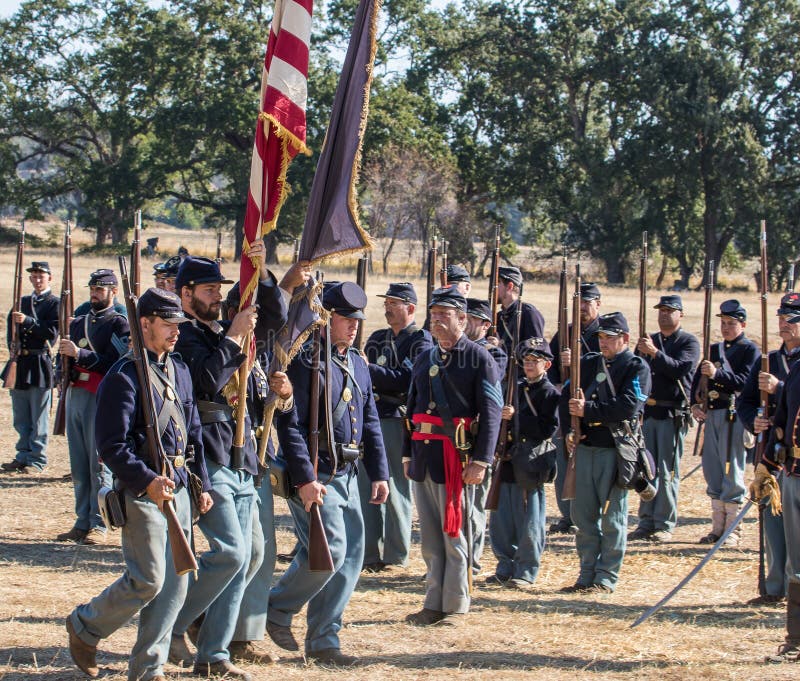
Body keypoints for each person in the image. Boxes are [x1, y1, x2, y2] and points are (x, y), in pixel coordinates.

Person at [65, 287, 213, 681]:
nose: (176, 332)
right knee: (148, 579)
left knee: (176, 586)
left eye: (178, 324)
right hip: (143, 491)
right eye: (168, 324)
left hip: (179, 487)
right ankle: (85, 626)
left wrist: (204, 486)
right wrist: (147, 482)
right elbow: (111, 445)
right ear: (144, 323)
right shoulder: (125, 375)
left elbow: (193, 431)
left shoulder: (178, 369)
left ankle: (149, 669)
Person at [168, 248, 287, 680]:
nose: (218, 296)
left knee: (251, 554)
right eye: (209, 289)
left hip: (242, 452)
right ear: (185, 294)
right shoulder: (183, 335)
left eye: (220, 288)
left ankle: (213, 654)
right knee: (231, 552)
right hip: (209, 452)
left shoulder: (221, 328)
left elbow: (270, 314)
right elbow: (206, 383)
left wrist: (263, 268)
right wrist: (234, 337)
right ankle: (174, 623)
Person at [266, 281, 390, 667]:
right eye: (344, 319)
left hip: (349, 474)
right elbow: (291, 424)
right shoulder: (305, 361)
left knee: (350, 559)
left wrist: (380, 473)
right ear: (325, 317)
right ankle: (275, 608)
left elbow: (370, 420)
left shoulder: (356, 362)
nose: (353, 327)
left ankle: (323, 640)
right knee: (329, 552)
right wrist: (304, 479)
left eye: (356, 320)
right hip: (317, 474)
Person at [222, 274, 308, 666]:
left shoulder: (258, 357)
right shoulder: (227, 353)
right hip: (227, 463)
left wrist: (284, 396)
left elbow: (271, 411)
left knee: (262, 552)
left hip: (257, 460)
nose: (260, 322)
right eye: (253, 314)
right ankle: (212, 630)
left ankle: (243, 635)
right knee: (235, 554)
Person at [404, 285, 502, 626]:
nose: (437, 322)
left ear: (463, 319)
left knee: (455, 533)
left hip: (457, 457)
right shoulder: (425, 356)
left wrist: (481, 460)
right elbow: (413, 407)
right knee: (431, 535)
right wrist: (406, 453)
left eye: (444, 316)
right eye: (433, 316)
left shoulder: (479, 358)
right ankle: (434, 601)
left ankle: (457, 603)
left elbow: (491, 413)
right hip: (424, 454)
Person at [559, 312, 651, 593]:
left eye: (609, 338)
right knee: (583, 517)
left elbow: (629, 406)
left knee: (612, 518)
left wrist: (589, 411)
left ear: (624, 338)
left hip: (615, 449)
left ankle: (606, 577)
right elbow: (566, 398)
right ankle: (586, 574)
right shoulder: (587, 363)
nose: (603, 343)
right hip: (586, 446)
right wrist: (569, 430)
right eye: (600, 337)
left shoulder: (636, 367)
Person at [361, 282, 432, 572]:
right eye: (387, 302)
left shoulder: (421, 340)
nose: (388, 308)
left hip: (396, 417)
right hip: (373, 415)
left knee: (394, 486)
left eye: (394, 303)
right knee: (369, 483)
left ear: (410, 308)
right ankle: (369, 551)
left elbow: (406, 378)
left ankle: (395, 554)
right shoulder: (378, 337)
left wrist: (370, 369)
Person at [57, 269, 131, 545]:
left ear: (113, 292)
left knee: (97, 463)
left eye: (101, 289)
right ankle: (81, 520)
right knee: (78, 463)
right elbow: (63, 358)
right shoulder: (79, 322)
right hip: (76, 394)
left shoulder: (118, 324)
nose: (95, 293)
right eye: (93, 288)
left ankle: (99, 523)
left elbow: (116, 363)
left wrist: (80, 355)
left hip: (100, 395)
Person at [738, 292, 800, 603]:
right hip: (773, 455)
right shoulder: (770, 361)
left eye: (791, 319)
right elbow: (745, 402)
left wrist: (780, 388)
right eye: (781, 318)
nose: (784, 324)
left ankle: (794, 589)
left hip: (795, 456)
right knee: (773, 523)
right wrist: (755, 422)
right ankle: (775, 586)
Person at [629, 294, 700, 543]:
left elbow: (680, 369)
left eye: (670, 310)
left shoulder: (688, 342)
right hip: (649, 412)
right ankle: (645, 521)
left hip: (672, 413)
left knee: (667, 472)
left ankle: (664, 523)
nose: (664, 314)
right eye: (661, 310)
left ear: (680, 314)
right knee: (646, 469)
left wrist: (655, 353)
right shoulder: (651, 340)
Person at [489, 338, 559, 589]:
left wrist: (516, 416)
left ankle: (526, 570)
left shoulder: (550, 394)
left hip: (530, 461)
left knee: (530, 519)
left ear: (547, 364)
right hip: (508, 459)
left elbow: (547, 428)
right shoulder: (513, 388)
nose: (529, 365)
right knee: (502, 519)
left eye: (534, 361)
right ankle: (505, 565)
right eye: (526, 361)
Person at [691, 299, 760, 546]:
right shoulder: (714, 349)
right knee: (713, 469)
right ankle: (717, 528)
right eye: (723, 323)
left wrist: (717, 374)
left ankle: (732, 531)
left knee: (732, 471)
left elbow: (745, 382)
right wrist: (695, 405)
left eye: (731, 323)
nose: (726, 328)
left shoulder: (749, 350)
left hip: (734, 416)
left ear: (742, 324)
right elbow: (697, 381)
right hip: (713, 414)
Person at [756, 336, 800, 663]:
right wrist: (767, 465)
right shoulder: (797, 370)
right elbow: (781, 422)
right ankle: (796, 641)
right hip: (795, 474)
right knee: (797, 565)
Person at [547, 281, 603, 535]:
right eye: (578, 303)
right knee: (563, 462)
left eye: (586, 303)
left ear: (597, 305)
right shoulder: (566, 332)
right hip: (566, 407)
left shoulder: (605, 332)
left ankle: (587, 516)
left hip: (592, 406)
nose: (581, 308)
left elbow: (601, 366)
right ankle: (567, 515)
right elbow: (548, 364)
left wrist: (576, 360)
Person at [1, 261, 59, 474]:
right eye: (34, 276)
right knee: (21, 415)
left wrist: (28, 321)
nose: (37, 279)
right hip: (21, 364)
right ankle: (22, 455)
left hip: (39, 363)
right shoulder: (22, 301)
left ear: (49, 278)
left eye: (41, 276)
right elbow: (11, 333)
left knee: (38, 416)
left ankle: (37, 459)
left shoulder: (55, 303)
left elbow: (51, 333)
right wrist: (13, 352)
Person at [465, 297, 507, 575]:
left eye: (470, 318)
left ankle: (471, 560)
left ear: (484, 324)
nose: (463, 321)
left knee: (474, 506)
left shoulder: (495, 355)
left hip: (477, 435)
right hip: (455, 434)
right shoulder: (451, 350)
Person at [492, 266, 545, 359]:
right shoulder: (499, 316)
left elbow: (536, 349)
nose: (493, 289)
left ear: (509, 286)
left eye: (497, 283)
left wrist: (501, 347)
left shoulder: (529, 313)